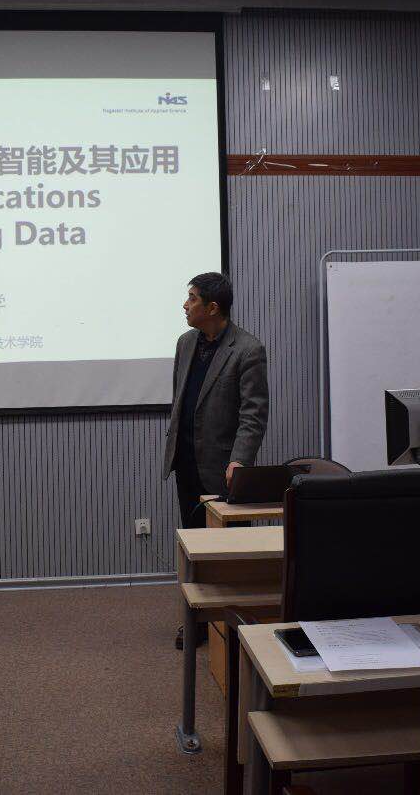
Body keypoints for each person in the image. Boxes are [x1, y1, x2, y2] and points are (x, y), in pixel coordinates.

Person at [163, 273, 269, 647]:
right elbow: (181, 401)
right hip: (186, 461)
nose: (185, 304)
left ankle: (237, 624)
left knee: (230, 551)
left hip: (223, 468)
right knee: (195, 545)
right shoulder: (185, 343)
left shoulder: (248, 350)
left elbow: (253, 414)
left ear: (212, 308)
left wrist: (239, 461)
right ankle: (197, 621)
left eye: (192, 298)